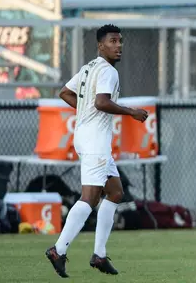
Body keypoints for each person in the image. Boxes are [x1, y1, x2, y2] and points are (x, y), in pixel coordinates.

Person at [45, 25, 149, 277]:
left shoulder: (89, 67)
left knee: (115, 193)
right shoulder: (108, 71)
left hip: (86, 136)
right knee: (89, 198)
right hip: (94, 141)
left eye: (120, 41)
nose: (119, 45)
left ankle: (99, 255)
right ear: (101, 45)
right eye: (113, 41)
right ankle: (58, 250)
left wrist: (84, 112)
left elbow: (64, 92)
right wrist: (131, 112)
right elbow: (101, 102)